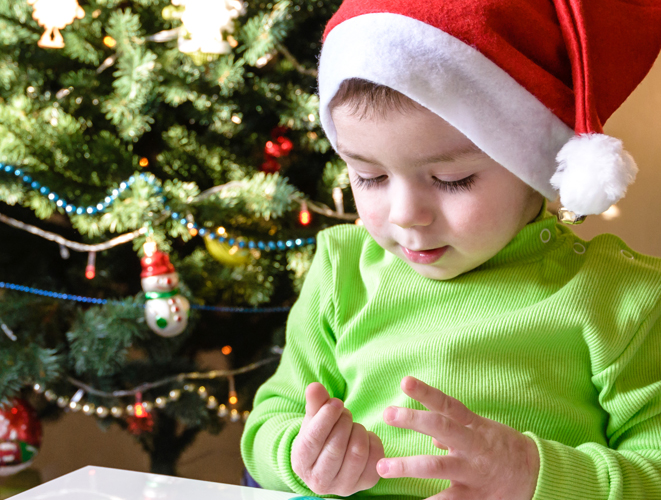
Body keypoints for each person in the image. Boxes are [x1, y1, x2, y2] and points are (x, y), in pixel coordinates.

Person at [240, 1, 661, 498]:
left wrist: (534, 475)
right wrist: (299, 454)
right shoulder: (342, 271)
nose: (404, 213)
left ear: (537, 164)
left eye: (451, 179)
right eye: (368, 176)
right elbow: (271, 418)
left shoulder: (623, 298)